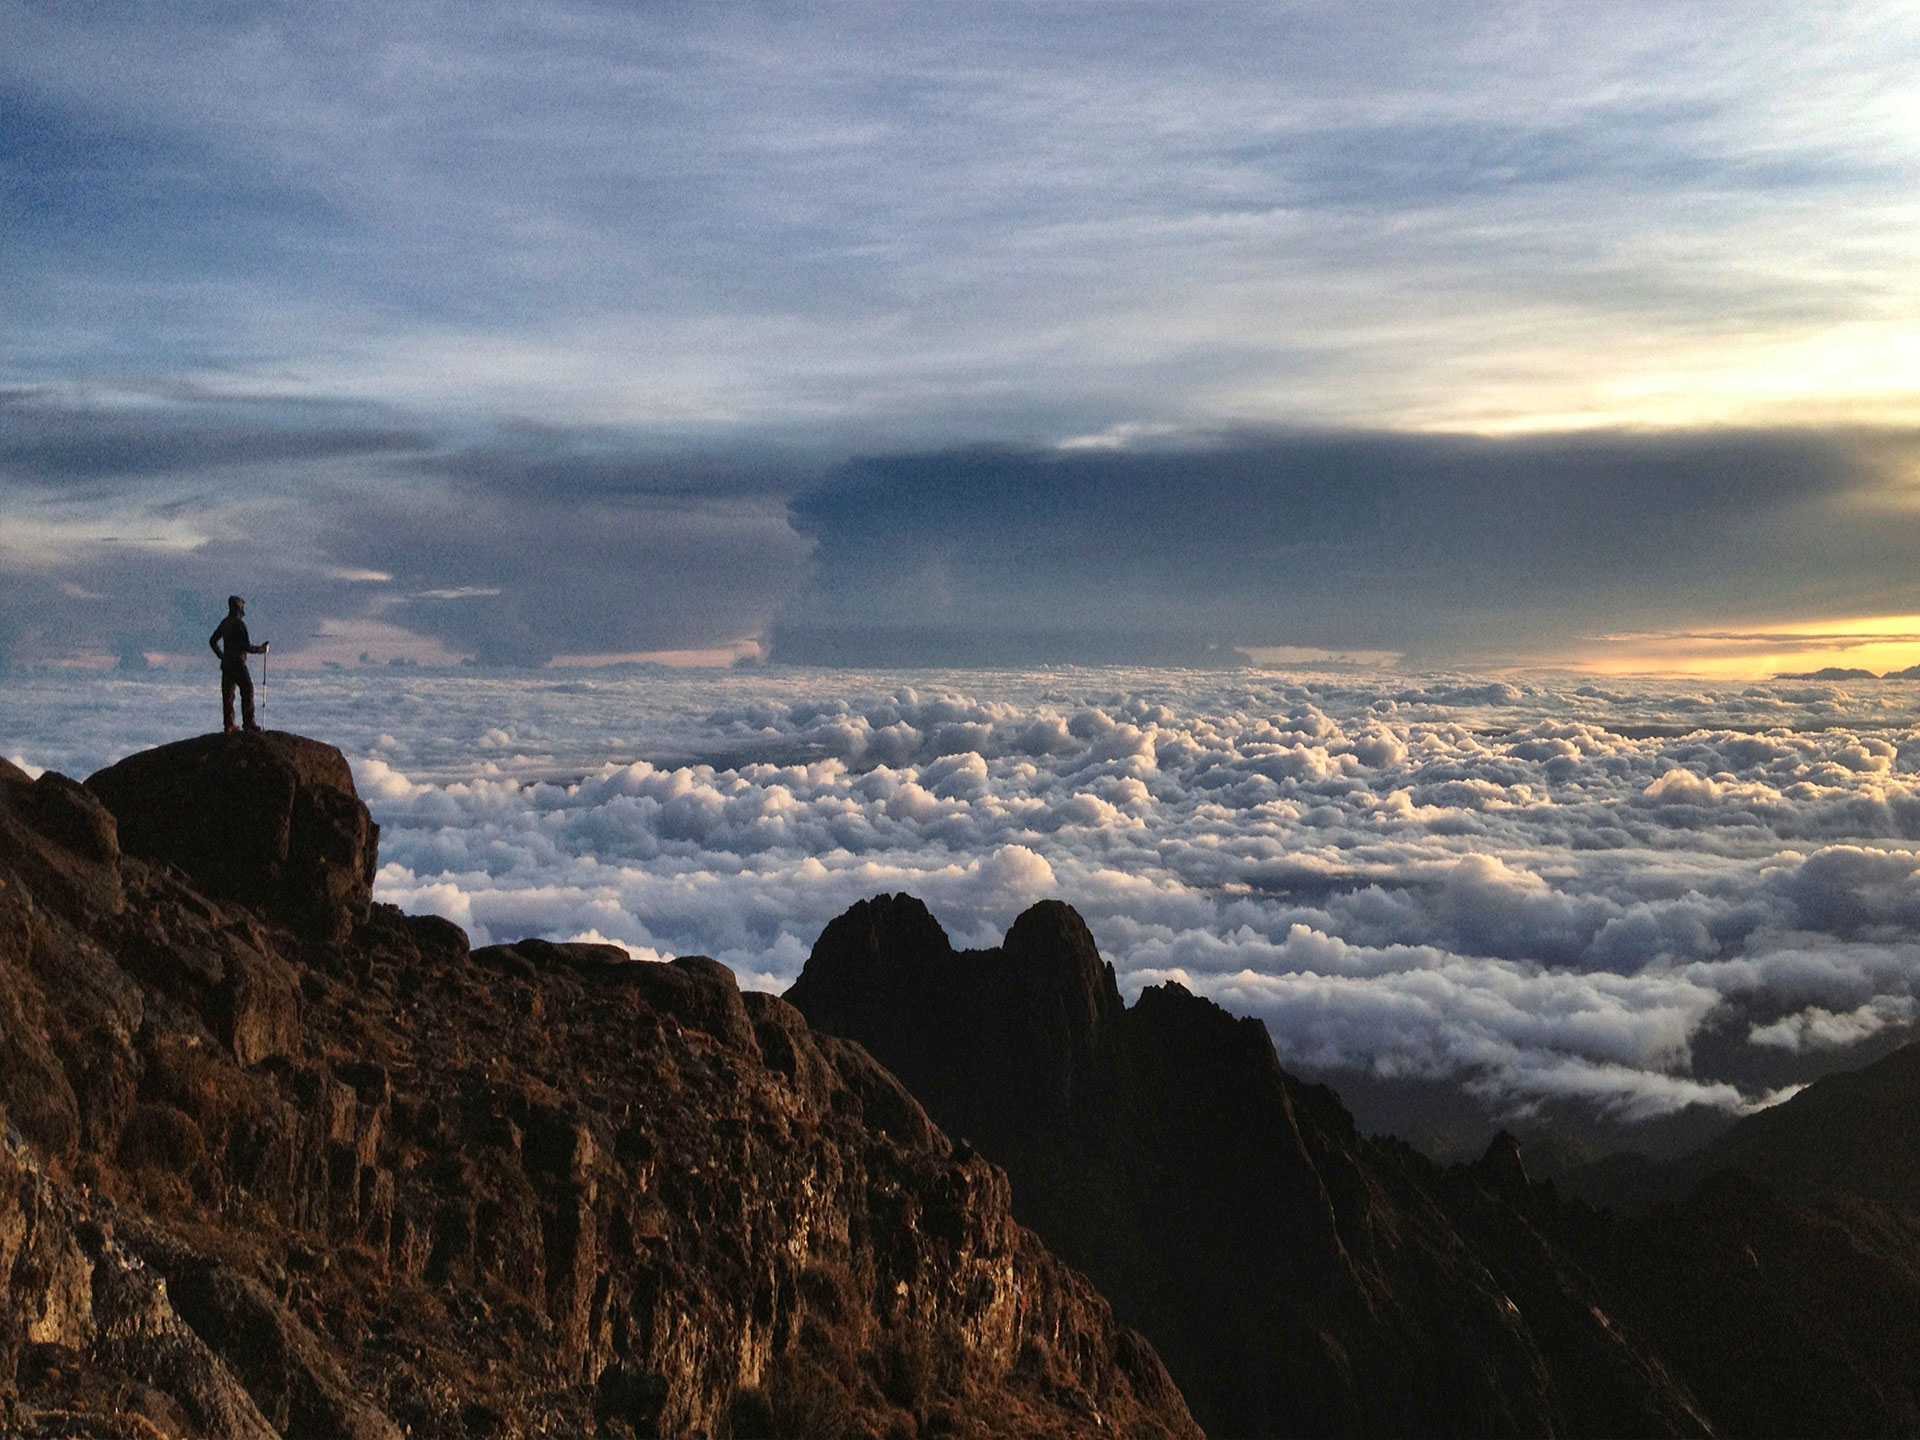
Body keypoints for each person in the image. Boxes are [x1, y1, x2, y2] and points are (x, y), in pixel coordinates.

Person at [208, 595, 269, 733]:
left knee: (228, 695)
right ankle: (248, 723)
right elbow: (247, 647)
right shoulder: (240, 625)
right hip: (238, 663)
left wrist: (222, 656)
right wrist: (262, 649)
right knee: (248, 689)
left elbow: (212, 641)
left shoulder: (225, 623)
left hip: (227, 664)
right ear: (239, 608)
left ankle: (229, 724)